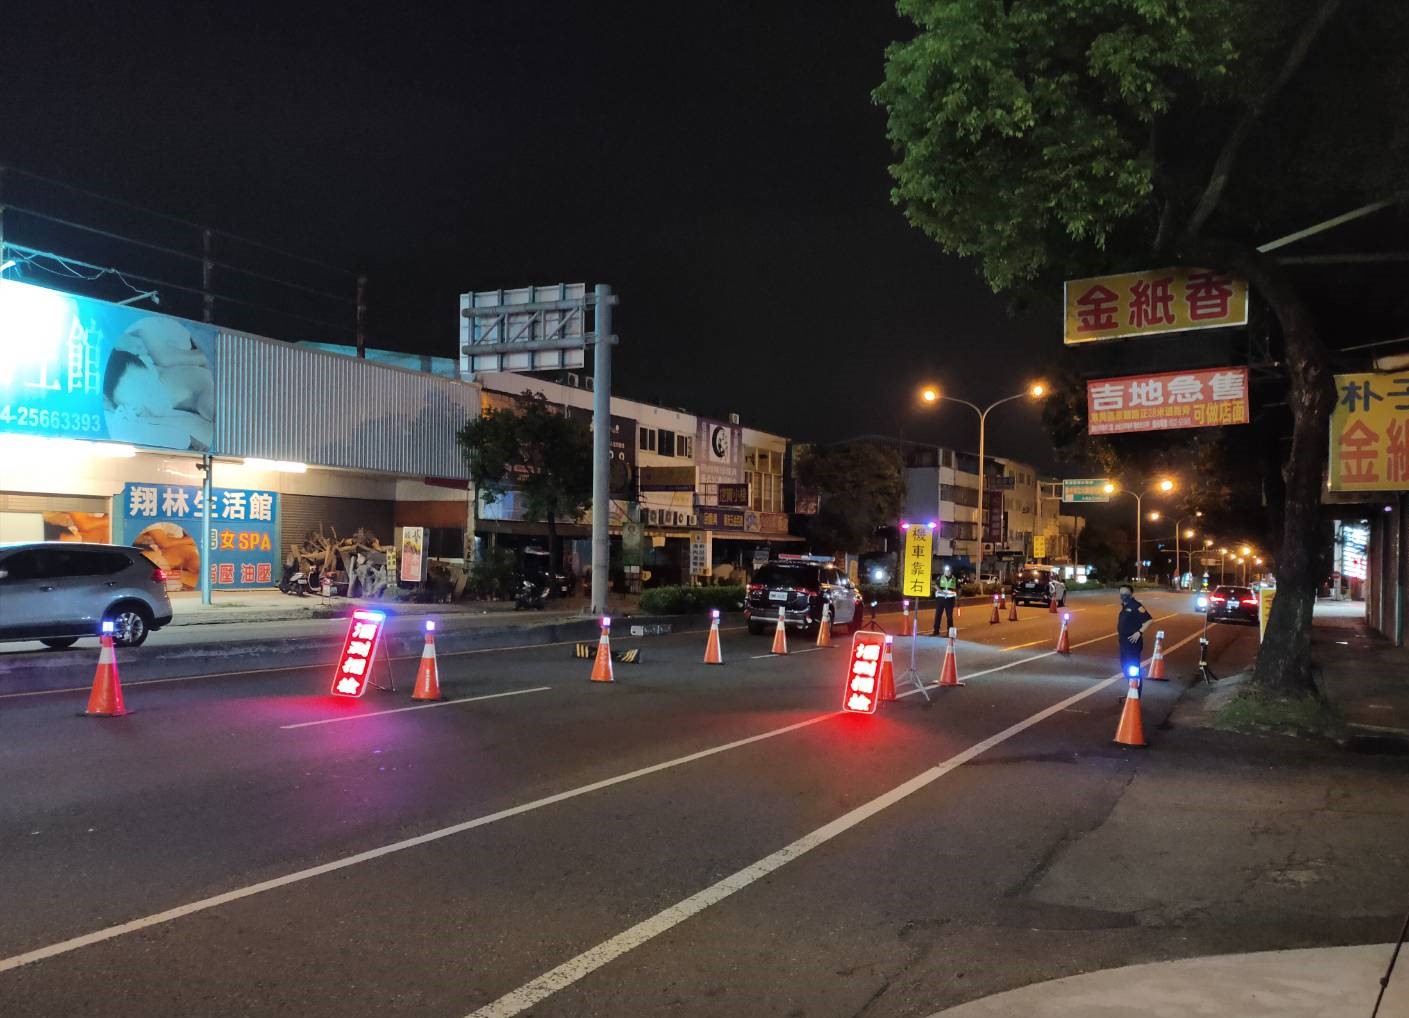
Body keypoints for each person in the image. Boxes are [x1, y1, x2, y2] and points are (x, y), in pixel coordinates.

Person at [1116, 583, 1153, 679]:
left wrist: (1139, 632)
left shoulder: (1136, 606)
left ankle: (1136, 686)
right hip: (1124, 641)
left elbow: (1149, 620)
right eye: (1121, 593)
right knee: (1125, 665)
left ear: (1131, 594)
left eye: (1126, 593)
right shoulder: (1125, 606)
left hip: (1132, 642)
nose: (1123, 595)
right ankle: (1131, 685)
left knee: (1132, 667)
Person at [932, 563, 958, 635]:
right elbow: (935, 586)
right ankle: (936, 631)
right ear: (944, 571)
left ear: (951, 571)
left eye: (948, 571)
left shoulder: (954, 579)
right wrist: (941, 592)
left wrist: (957, 596)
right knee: (938, 615)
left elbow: (958, 588)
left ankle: (950, 632)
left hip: (950, 600)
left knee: (949, 616)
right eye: (946, 571)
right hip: (940, 599)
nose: (947, 572)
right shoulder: (940, 577)